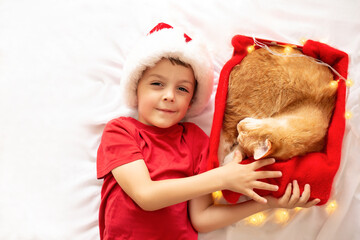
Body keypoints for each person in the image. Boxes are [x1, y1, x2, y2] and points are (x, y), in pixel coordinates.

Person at [96, 23, 320, 240]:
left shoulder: (194, 140)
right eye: (157, 84)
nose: (169, 95)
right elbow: (146, 195)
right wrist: (222, 178)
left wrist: (270, 203)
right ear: (136, 87)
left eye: (182, 88)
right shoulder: (121, 130)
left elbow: (201, 219)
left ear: (192, 100)